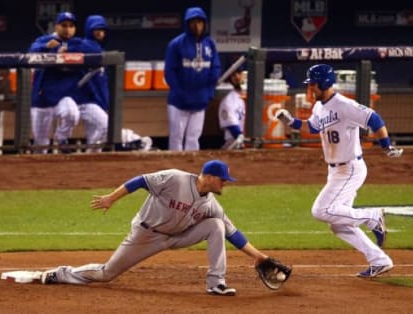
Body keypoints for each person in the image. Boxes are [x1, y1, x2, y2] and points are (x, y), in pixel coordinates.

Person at [41, 160, 280, 296]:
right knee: (106, 274)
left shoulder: (211, 204)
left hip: (177, 237)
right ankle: (62, 273)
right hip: (146, 235)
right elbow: (140, 181)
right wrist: (111, 198)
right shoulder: (175, 179)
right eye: (223, 179)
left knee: (216, 226)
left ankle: (216, 283)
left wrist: (260, 257)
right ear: (208, 176)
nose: (226, 183)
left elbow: (233, 234)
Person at [275, 64, 403, 278]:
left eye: (313, 84)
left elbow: (375, 119)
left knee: (320, 210)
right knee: (338, 225)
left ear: (324, 83)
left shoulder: (344, 105)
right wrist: (289, 121)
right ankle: (379, 260)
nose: (310, 89)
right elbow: (312, 127)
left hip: (350, 168)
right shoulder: (319, 106)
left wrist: (386, 146)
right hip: (335, 171)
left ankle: (372, 216)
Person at [164, 7, 221, 151]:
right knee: (176, 138)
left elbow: (215, 68)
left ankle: (190, 169)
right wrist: (179, 92)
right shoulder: (176, 44)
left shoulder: (210, 44)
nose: (197, 26)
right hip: (179, 101)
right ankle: (175, 171)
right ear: (187, 24)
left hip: (200, 100)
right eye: (193, 23)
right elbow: (170, 72)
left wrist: (209, 91)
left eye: (200, 22)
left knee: (193, 138)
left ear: (205, 24)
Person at [28, 12, 84, 154]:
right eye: (64, 25)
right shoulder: (45, 40)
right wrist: (46, 47)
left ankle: (61, 138)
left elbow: (93, 50)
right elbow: (31, 52)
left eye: (71, 26)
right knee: (41, 144)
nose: (67, 29)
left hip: (63, 96)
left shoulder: (77, 43)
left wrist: (70, 51)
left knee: (72, 114)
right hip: (42, 98)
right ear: (56, 26)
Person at [72, 15, 110, 153]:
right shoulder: (82, 45)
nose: (100, 32)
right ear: (89, 30)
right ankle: (90, 155)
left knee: (95, 134)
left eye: (102, 29)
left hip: (98, 99)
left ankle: (89, 162)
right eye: (96, 29)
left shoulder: (99, 48)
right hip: (86, 99)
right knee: (107, 126)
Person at [218, 67, 246, 150]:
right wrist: (242, 140)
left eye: (239, 73)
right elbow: (232, 126)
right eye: (233, 75)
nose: (237, 77)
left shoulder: (248, 97)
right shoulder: (228, 100)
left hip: (248, 140)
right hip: (234, 141)